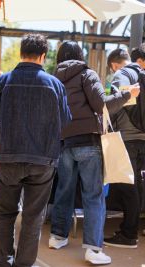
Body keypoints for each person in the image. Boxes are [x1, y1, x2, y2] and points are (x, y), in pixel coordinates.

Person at [0, 33, 71, 267]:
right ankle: (24, 264)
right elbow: (64, 122)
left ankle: (5, 259)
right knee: (33, 217)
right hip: (43, 158)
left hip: (8, 156)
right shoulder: (56, 85)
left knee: (5, 213)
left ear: (22, 53)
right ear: (43, 56)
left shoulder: (3, 81)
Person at [49, 41, 138, 265]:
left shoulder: (53, 77)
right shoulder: (87, 74)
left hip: (63, 142)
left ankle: (57, 236)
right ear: (80, 55)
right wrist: (128, 95)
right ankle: (93, 249)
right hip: (88, 141)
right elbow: (101, 105)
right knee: (93, 196)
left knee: (64, 191)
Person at [103, 48, 145, 248]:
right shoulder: (141, 72)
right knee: (138, 185)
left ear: (114, 64)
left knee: (128, 186)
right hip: (144, 139)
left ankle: (129, 235)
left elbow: (117, 103)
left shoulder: (122, 74)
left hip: (128, 139)